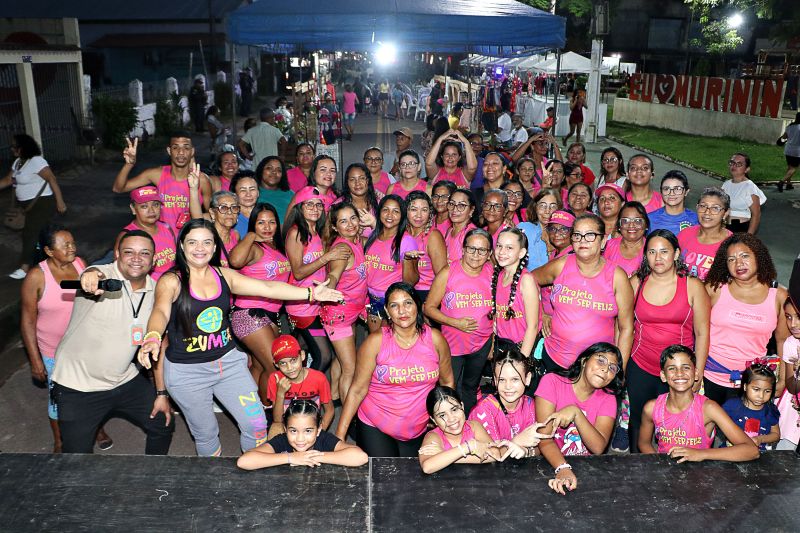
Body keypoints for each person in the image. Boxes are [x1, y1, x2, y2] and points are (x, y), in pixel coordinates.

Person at [138, 219, 342, 456]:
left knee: (256, 426)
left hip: (228, 365)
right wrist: (153, 336)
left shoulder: (224, 275)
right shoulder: (172, 280)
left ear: (215, 247)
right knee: (206, 433)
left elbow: (267, 288)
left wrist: (310, 293)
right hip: (187, 373)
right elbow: (161, 310)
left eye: (207, 242)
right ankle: (214, 478)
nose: (200, 248)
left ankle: (255, 470)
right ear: (182, 246)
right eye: (192, 242)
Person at [50, 230, 174, 454]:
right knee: (75, 457)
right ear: (117, 254)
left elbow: (160, 344)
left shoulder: (157, 292)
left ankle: (155, 476)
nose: (137, 258)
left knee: (163, 423)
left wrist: (161, 394)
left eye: (144, 253)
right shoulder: (104, 277)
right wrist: (91, 277)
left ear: (154, 259)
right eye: (129, 252)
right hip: (78, 386)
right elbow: (92, 275)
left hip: (124, 378)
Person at [21, 224, 112, 452]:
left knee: (92, 391)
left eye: (72, 243)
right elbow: (28, 321)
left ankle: (96, 428)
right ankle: (60, 441)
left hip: (84, 346)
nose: (72, 248)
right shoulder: (36, 276)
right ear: (49, 251)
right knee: (59, 399)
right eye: (65, 245)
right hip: (54, 351)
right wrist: (35, 361)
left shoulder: (80, 264)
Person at [336, 282, 453, 457]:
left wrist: (443, 417)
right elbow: (357, 390)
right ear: (387, 311)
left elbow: (447, 382)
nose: (402, 310)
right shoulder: (375, 342)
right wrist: (339, 436)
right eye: (394, 305)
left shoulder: (435, 340)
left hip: (419, 427)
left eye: (408, 303)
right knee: (385, 478)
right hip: (375, 424)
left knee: (414, 479)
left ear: (418, 306)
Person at [627, 230, 710, 453]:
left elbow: (702, 332)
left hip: (679, 371)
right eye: (652, 252)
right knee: (637, 419)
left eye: (664, 251)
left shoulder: (692, 285)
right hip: (641, 364)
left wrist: (697, 372)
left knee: (679, 425)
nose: (658, 257)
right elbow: (622, 326)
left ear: (676, 254)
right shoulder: (636, 282)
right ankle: (637, 468)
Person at [534, 214, 634, 372]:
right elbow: (527, 281)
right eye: (577, 235)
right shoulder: (561, 265)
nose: (582, 240)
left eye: (590, 235)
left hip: (597, 369)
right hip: (555, 359)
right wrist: (541, 313)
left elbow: (626, 328)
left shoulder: (617, 277)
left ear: (602, 241)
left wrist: (617, 370)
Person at [703, 233, 789, 406]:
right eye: (731, 259)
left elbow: (783, 342)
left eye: (744, 256)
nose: (738, 263)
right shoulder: (714, 289)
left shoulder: (778, 296)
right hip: (709, 375)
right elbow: (696, 331)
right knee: (703, 430)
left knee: (743, 433)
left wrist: (782, 379)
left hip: (753, 383)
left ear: (758, 257)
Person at [638, 345, 759, 462]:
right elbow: (643, 443)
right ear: (663, 376)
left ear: (696, 374)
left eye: (686, 367)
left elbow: (751, 450)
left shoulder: (709, 408)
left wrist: (700, 454)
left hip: (699, 475)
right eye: (672, 368)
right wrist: (660, 465)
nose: (679, 373)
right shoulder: (652, 408)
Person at [536, 343, 623, 495]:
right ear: (584, 361)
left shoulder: (608, 398)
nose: (605, 369)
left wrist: (576, 413)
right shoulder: (551, 382)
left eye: (612, 368)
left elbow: (598, 447)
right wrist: (562, 468)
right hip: (550, 459)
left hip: (585, 466)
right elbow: (544, 438)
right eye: (601, 360)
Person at [424, 229, 494, 416]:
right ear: (463, 250)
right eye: (471, 249)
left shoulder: (493, 273)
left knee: (471, 387)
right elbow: (428, 308)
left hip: (481, 344)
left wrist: (493, 342)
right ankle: (448, 426)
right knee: (450, 389)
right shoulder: (448, 272)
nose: (476, 255)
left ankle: (469, 427)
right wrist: (455, 323)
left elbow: (498, 312)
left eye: (482, 250)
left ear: (489, 254)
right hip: (452, 345)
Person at [228, 203, 291, 402]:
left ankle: (251, 413)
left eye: (271, 222)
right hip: (249, 314)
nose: (267, 227)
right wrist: (251, 236)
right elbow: (235, 261)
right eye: (261, 222)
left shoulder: (278, 248)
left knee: (259, 366)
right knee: (275, 368)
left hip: (270, 315)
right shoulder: (254, 247)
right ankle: (269, 414)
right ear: (253, 224)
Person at [283, 188, 343, 374]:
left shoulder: (317, 232)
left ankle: (293, 393)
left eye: (319, 205)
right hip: (301, 305)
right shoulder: (296, 233)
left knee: (300, 350)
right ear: (299, 208)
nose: (315, 208)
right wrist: (326, 258)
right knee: (324, 356)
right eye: (309, 204)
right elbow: (299, 272)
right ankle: (305, 399)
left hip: (315, 302)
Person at [320, 203, 369, 404]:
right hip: (338, 316)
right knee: (351, 369)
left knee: (340, 361)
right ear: (334, 227)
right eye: (343, 221)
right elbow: (334, 274)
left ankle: (334, 396)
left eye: (353, 218)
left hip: (350, 312)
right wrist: (327, 287)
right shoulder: (343, 248)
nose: (350, 224)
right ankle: (349, 418)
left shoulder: (356, 241)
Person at [112, 133, 212, 232]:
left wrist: (193, 218)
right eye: (175, 148)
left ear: (192, 151)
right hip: (163, 240)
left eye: (186, 148)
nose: (181, 152)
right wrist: (129, 164)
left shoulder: (202, 180)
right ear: (169, 151)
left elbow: (212, 214)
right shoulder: (157, 174)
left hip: (189, 242)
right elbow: (119, 188)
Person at [2, 134, 68, 279]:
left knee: (29, 233)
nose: (12, 149)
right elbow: (8, 180)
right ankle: (53, 260)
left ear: (24, 147)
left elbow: (52, 179)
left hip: (42, 203)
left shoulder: (36, 161)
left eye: (15, 146)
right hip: (26, 206)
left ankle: (24, 267)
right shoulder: (18, 162)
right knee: (42, 234)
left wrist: (60, 201)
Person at [237, 400, 367, 470]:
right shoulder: (282, 441)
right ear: (285, 428)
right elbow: (244, 461)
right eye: (293, 431)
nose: (300, 439)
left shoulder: (323, 438)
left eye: (308, 431)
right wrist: (291, 458)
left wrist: (313, 457)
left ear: (319, 429)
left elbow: (360, 457)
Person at [469, 340, 548, 449]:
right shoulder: (484, 409)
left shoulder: (531, 405)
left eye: (515, 379)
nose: (508, 386)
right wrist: (517, 442)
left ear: (528, 378)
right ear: (495, 381)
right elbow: (492, 455)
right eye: (502, 380)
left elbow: (541, 446)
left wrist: (527, 452)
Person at [364, 195, 419, 332]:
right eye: (385, 210)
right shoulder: (373, 236)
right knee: (376, 343)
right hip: (372, 300)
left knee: (389, 345)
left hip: (392, 302)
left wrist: (408, 260)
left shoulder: (406, 241)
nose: (390, 215)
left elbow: (411, 281)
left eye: (396, 211)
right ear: (379, 212)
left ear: (402, 216)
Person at [418, 386, 502, 474]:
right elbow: (427, 467)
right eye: (442, 415)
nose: (451, 419)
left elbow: (495, 455)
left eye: (454, 409)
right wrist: (468, 447)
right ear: (434, 420)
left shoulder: (474, 426)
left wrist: (445, 454)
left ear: (462, 406)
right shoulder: (433, 436)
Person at [265, 336, 334, 439]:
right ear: (276, 365)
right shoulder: (274, 379)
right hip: (286, 425)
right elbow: (278, 419)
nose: (289, 368)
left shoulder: (319, 378)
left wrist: (319, 432)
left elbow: (329, 410)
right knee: (274, 432)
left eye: (293, 360)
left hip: (311, 424)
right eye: (283, 363)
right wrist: (280, 393)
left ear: (302, 355)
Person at [490, 228, 539, 358]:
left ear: (521, 253)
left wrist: (521, 361)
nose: (501, 252)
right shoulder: (499, 276)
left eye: (509, 248)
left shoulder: (526, 280)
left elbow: (532, 327)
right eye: (499, 246)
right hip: (501, 346)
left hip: (521, 348)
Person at [116, 186, 176, 280]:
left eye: (155, 205)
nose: (151, 210)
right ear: (133, 209)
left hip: (174, 283)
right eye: (144, 206)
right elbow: (119, 271)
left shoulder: (166, 227)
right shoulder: (128, 236)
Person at [722, 362, 780, 451]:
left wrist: (760, 439)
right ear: (745, 386)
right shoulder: (731, 406)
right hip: (730, 452)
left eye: (767, 391)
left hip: (757, 455)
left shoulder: (770, 410)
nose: (761, 396)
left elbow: (776, 435)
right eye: (756, 389)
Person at [678, 187, 732, 281]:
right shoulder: (684, 234)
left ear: (725, 213)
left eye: (715, 208)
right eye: (703, 206)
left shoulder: (732, 243)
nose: (707, 212)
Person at [188, 177, 240, 267]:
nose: (229, 212)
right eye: (223, 208)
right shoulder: (206, 236)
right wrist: (193, 189)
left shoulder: (235, 235)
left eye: (234, 207)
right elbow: (197, 218)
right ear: (212, 213)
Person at [405, 191, 447, 303]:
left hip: (426, 293)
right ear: (406, 211)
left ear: (430, 213)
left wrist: (430, 303)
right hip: (403, 291)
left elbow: (442, 276)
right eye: (414, 209)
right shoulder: (402, 233)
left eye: (424, 210)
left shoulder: (433, 236)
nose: (419, 215)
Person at [721, 152, 766, 234]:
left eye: (739, 164)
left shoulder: (750, 187)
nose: (734, 166)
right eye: (732, 162)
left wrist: (748, 237)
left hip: (741, 229)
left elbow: (756, 215)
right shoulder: (726, 184)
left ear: (747, 169)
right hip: (724, 228)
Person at [776, 298, 800, 451]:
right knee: (785, 454)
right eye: (788, 317)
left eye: (798, 317)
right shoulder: (791, 344)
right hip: (794, 411)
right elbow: (792, 387)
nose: (793, 324)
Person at [603, 201, 649, 277]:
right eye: (625, 221)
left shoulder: (652, 249)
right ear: (619, 225)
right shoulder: (607, 246)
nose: (631, 225)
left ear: (646, 225)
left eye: (637, 221)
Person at [519, 188, 562, 269]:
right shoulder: (524, 229)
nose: (547, 211)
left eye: (552, 206)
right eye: (542, 206)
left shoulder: (564, 235)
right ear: (535, 207)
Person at [647, 170, 698, 235]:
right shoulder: (649, 219)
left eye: (677, 189)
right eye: (666, 189)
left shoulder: (696, 220)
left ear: (686, 192)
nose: (671, 193)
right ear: (661, 192)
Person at [256, 156, 294, 223]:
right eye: (269, 168)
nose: (274, 172)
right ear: (261, 170)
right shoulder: (252, 193)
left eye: (278, 170)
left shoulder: (290, 194)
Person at [777, 111, 800, 192]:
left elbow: (784, 137)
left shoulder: (790, 126)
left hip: (788, 149)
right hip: (797, 151)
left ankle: (788, 184)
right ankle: (782, 182)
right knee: (794, 168)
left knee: (790, 167)